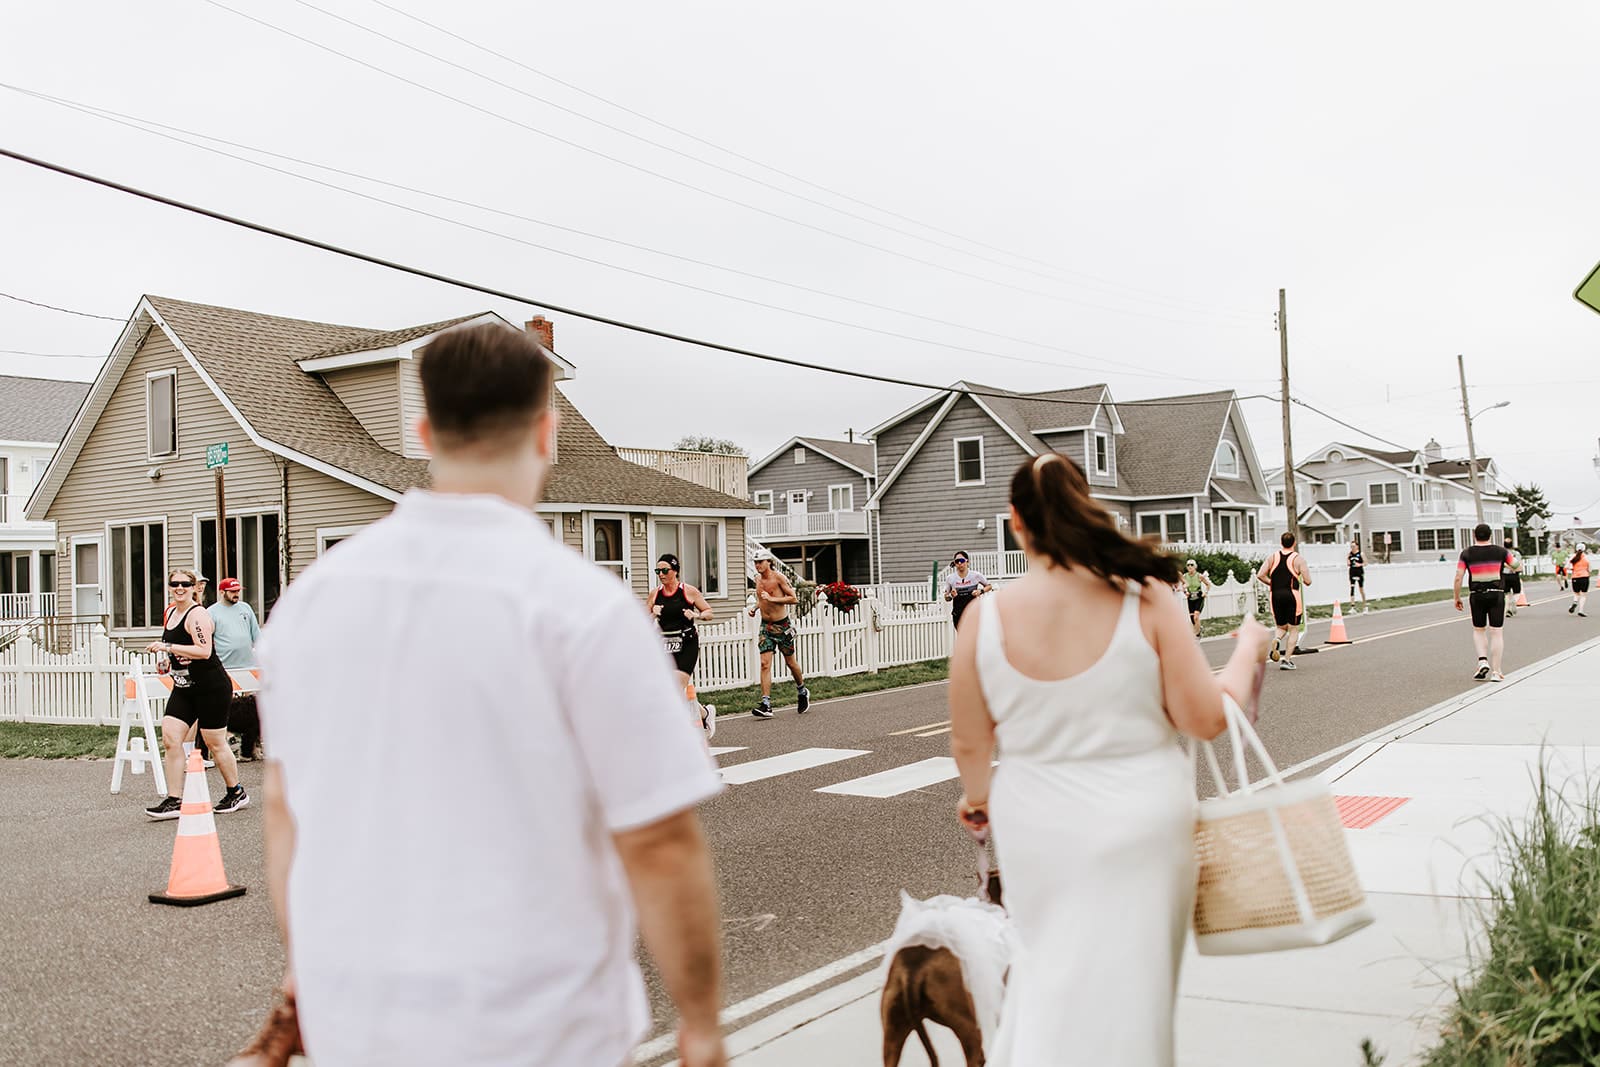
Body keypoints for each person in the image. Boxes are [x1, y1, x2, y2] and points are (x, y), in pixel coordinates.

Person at [254, 324, 727, 1067]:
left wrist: (313, 974)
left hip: (356, 1023)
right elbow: (659, 843)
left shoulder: (308, 605)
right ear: (547, 431)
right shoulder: (582, 607)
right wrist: (700, 1020)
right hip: (535, 1026)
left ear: (422, 430)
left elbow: (286, 816)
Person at [948, 453, 1271, 1066]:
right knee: (1134, 992)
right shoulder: (1143, 598)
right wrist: (1248, 649)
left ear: (1016, 522)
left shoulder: (984, 618)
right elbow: (1203, 718)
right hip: (1143, 822)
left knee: (1048, 973)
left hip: (1037, 822)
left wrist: (978, 798)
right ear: (1084, 505)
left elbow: (970, 740)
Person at [143, 568, 248, 818]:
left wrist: (168, 646)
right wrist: (168, 659)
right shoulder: (170, 611)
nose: (179, 588)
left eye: (185, 584)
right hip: (184, 687)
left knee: (215, 742)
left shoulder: (197, 615)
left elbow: (203, 650)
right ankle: (174, 799)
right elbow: (176, 645)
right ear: (169, 587)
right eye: (174, 584)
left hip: (210, 687)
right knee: (170, 738)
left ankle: (236, 792)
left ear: (194, 588)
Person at [650, 553, 716, 737]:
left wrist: (696, 615)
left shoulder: (688, 591)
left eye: (665, 570)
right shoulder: (655, 595)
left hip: (687, 643)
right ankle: (705, 713)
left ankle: (677, 733)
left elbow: (709, 612)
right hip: (665, 645)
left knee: (676, 688)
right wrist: (653, 614)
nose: (661, 574)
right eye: (658, 571)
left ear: (675, 571)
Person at [747, 550, 808, 719]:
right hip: (766, 627)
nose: (757, 565)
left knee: (790, 662)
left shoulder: (779, 578)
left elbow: (793, 598)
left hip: (782, 626)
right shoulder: (757, 579)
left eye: (760, 562)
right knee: (765, 664)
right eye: (755, 562)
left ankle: (802, 690)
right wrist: (755, 608)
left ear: (769, 562)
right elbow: (762, 599)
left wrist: (772, 599)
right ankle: (766, 704)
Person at [1454, 523, 1512, 682]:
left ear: (1474, 535)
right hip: (1497, 594)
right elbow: (1516, 566)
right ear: (1490, 535)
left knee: (1479, 630)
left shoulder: (1466, 553)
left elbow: (1459, 576)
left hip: (1476, 595)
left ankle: (1482, 661)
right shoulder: (1501, 551)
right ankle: (1496, 671)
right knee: (1496, 632)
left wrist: (1457, 597)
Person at [1255, 531, 1312, 670]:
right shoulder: (1298, 559)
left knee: (1281, 626)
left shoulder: (1272, 557)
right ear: (1294, 543)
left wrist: (1272, 583)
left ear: (1281, 543)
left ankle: (1276, 640)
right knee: (1293, 629)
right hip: (1291, 594)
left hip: (1275, 594)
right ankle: (1286, 660)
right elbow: (1308, 581)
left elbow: (1260, 575)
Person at [943, 551, 994, 628]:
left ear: (967, 562)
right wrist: (951, 595)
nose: (960, 563)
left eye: (962, 561)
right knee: (963, 637)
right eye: (957, 561)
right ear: (955, 564)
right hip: (958, 613)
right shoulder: (950, 578)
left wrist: (980, 591)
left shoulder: (976, 575)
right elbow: (946, 597)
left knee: (975, 636)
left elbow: (989, 586)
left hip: (973, 612)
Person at [1180, 559, 1211, 636]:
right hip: (1190, 598)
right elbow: (1181, 586)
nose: (1190, 566)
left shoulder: (1199, 576)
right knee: (1192, 619)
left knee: (1196, 617)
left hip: (1199, 597)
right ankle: (1199, 628)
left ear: (1195, 567)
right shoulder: (1184, 576)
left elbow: (1208, 584)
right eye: (1188, 565)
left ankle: (1197, 634)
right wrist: (1185, 592)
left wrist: (1205, 592)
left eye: (1192, 565)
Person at [1501, 539, 1523, 617]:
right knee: (1517, 592)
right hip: (1514, 575)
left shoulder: (1501, 553)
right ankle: (1513, 603)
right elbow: (1520, 564)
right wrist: (1514, 568)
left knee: (1506, 593)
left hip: (1504, 575)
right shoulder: (1516, 553)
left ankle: (1507, 608)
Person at [1347, 539, 1369, 613]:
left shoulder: (1361, 554)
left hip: (1359, 572)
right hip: (1352, 572)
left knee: (1361, 589)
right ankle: (1353, 607)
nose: (1352, 548)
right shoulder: (1349, 554)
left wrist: (1359, 564)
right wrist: (1348, 562)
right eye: (1351, 546)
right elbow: (1348, 561)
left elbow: (1366, 563)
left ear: (1357, 546)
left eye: (1354, 546)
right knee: (1352, 588)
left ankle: (1365, 606)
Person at [1570, 544, 1590, 617]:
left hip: (1575, 577)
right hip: (1584, 577)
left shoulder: (1573, 557)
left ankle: (1575, 602)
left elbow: (1568, 566)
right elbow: (1590, 569)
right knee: (1583, 595)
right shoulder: (1586, 558)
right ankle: (1581, 610)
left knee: (1576, 593)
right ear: (1584, 549)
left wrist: (1574, 569)